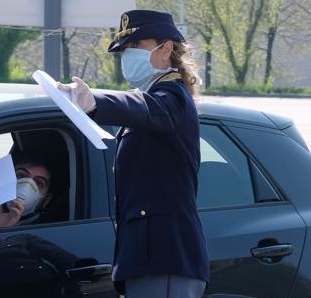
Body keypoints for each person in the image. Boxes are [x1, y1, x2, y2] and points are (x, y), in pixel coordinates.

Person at [57, 9, 209, 298]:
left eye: (136, 46)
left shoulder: (173, 97)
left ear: (165, 49)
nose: (128, 55)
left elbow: (143, 108)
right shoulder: (158, 97)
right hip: (147, 259)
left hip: (165, 258)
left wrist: (95, 102)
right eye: (125, 49)